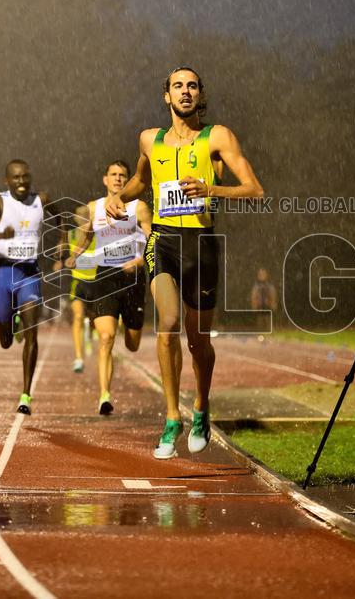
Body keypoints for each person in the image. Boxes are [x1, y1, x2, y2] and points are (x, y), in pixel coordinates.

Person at [106, 66, 264, 459]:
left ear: (199, 94)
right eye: (178, 86)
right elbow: (141, 181)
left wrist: (211, 188)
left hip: (202, 244)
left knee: (198, 342)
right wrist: (119, 198)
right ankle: (171, 417)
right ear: (167, 96)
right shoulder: (149, 140)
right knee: (168, 325)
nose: (185, 91)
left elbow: (255, 190)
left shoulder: (217, 137)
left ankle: (201, 408)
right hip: (163, 240)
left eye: (192, 85)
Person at [66, 160, 151, 415]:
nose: (117, 179)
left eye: (122, 175)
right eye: (113, 175)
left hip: (133, 277)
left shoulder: (139, 207)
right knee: (106, 337)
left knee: (132, 344)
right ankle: (104, 395)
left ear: (129, 180)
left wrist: (139, 260)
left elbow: (152, 237)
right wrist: (75, 255)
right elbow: (88, 235)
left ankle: (126, 321)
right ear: (105, 179)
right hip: (105, 275)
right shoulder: (94, 208)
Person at [0, 159, 49, 415]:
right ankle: (11, 324)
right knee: (5, 342)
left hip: (30, 273)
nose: (22, 182)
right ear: (7, 181)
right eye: (16, 178)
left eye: (25, 177)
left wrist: (64, 247)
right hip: (5, 272)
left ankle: (26, 394)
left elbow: (65, 220)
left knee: (33, 334)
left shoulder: (42, 200)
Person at [63, 205, 95, 373]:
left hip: (97, 281)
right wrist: (61, 257)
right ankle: (78, 357)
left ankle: (91, 333)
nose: (83, 218)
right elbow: (63, 250)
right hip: (79, 281)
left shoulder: (97, 232)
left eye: (86, 215)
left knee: (94, 318)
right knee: (78, 316)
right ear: (75, 218)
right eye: (80, 216)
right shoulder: (71, 234)